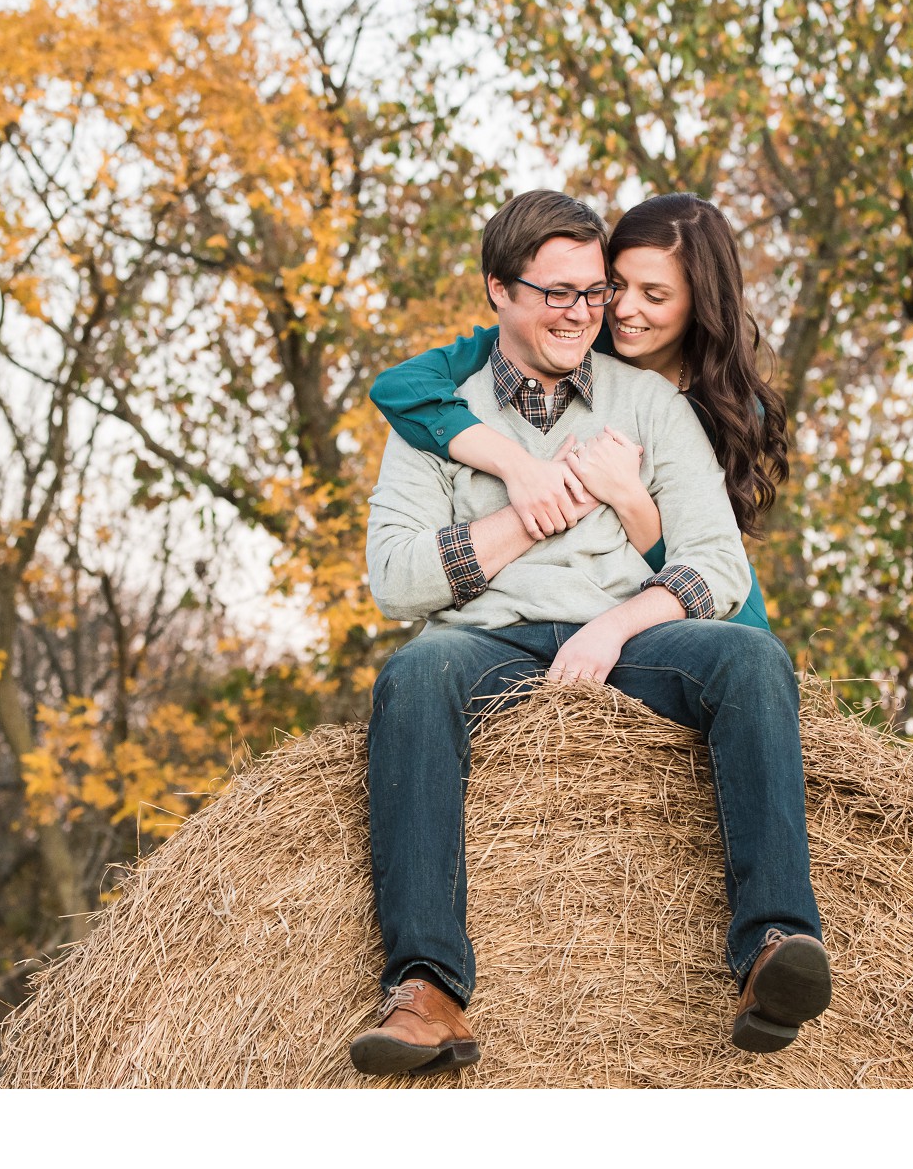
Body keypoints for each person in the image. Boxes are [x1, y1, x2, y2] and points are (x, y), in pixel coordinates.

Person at [348, 190, 828, 1078]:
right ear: (501, 291)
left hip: (630, 633)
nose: (583, 313)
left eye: (594, 294)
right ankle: (428, 987)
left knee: (754, 656)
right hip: (486, 641)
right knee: (413, 674)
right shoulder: (436, 421)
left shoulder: (648, 402)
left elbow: (719, 566)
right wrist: (524, 512)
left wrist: (612, 625)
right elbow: (394, 581)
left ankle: (775, 945)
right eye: (558, 293)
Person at [367, 192, 792, 632]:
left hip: (674, 584)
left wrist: (627, 496)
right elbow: (400, 386)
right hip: (551, 605)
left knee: (750, 648)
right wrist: (521, 469)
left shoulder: (728, 406)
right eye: (618, 285)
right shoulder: (575, 336)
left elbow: (711, 555)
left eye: (655, 295)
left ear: (700, 302)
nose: (623, 309)